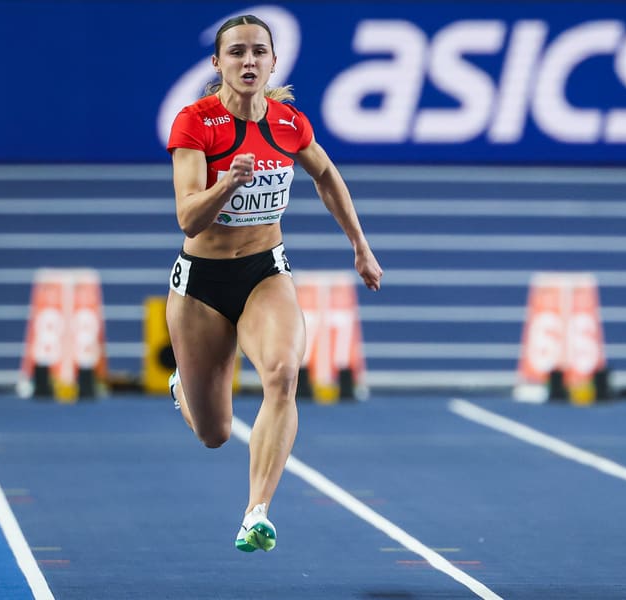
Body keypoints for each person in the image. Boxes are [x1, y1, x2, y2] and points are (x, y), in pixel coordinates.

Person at [165, 14, 383, 553]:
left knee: (284, 374)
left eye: (259, 52)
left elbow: (327, 176)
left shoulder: (289, 124)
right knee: (214, 433)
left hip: (265, 270)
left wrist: (359, 244)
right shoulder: (195, 122)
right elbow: (189, 218)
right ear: (217, 64)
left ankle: (255, 511)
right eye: (236, 53)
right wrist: (227, 183)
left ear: (273, 62)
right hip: (201, 285)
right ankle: (182, 386)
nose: (248, 62)